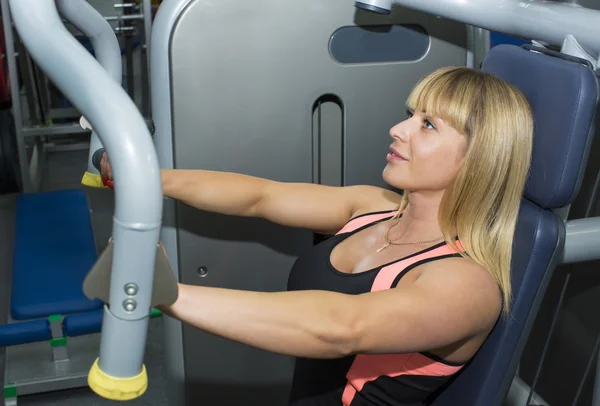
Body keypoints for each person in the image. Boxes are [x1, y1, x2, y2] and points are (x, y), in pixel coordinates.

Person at [100, 66, 534, 405]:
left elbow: (342, 327)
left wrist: (165, 293)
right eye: (410, 116)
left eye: (429, 125)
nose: (398, 130)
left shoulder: (466, 284)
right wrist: (143, 178)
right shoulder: (373, 207)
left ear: (478, 159)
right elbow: (260, 196)